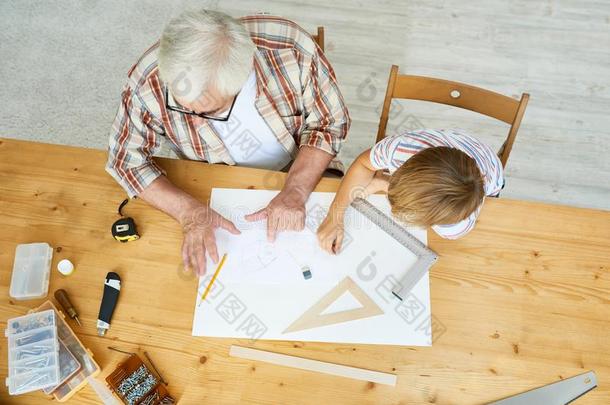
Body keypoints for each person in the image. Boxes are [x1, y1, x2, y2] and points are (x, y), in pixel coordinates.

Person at [106, 10, 350, 275]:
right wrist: (187, 212)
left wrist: (296, 190)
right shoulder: (147, 81)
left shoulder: (291, 48)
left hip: (301, 165)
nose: (196, 119)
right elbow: (125, 161)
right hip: (215, 179)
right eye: (184, 107)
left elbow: (329, 123)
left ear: (243, 77)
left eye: (208, 112)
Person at [317, 129, 504, 253]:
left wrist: (382, 184)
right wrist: (335, 215)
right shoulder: (399, 148)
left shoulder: (454, 229)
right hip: (458, 141)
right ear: (408, 163)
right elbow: (363, 164)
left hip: (491, 170)